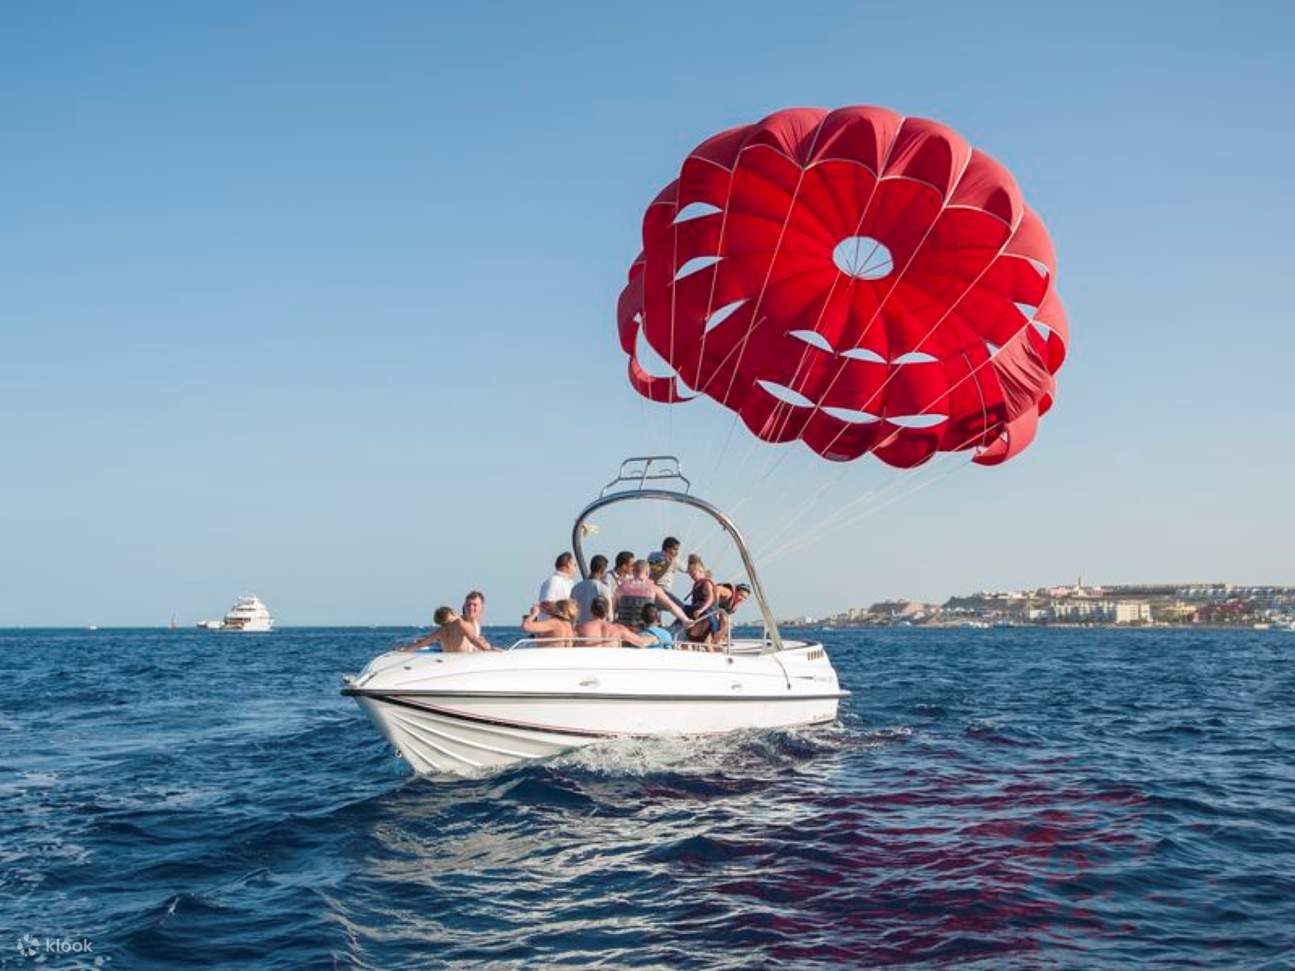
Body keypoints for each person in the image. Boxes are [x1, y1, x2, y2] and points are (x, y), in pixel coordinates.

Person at [400, 591, 495, 653]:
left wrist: (405, 650)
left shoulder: (443, 629)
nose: (471, 607)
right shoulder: (460, 623)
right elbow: (473, 640)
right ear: (463, 606)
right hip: (459, 664)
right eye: (468, 604)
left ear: (482, 607)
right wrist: (490, 649)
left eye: (474, 605)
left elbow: (422, 643)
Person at [612, 559, 690, 629]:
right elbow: (671, 606)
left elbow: (611, 611)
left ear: (633, 571)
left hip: (624, 631)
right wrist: (685, 620)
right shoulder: (653, 589)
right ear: (647, 572)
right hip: (644, 631)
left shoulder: (620, 588)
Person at [574, 596, 653, 647]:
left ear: (591, 610)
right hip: (611, 668)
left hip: (588, 669)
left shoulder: (580, 629)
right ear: (607, 611)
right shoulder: (618, 629)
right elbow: (642, 642)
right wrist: (654, 638)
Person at [648, 536, 689, 613]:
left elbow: (688, 570)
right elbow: (689, 570)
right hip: (661, 591)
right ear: (667, 548)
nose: (677, 552)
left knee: (656, 614)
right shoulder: (673, 561)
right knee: (682, 609)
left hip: (652, 591)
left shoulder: (652, 556)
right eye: (675, 549)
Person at [571, 554, 612, 624]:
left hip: (579, 629)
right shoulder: (603, 588)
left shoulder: (576, 588)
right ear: (601, 570)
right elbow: (610, 616)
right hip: (597, 629)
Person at [538, 553, 578, 617]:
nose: (576, 569)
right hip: (552, 625)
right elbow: (545, 604)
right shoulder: (553, 581)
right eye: (575, 565)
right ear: (569, 564)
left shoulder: (569, 583)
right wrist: (565, 613)